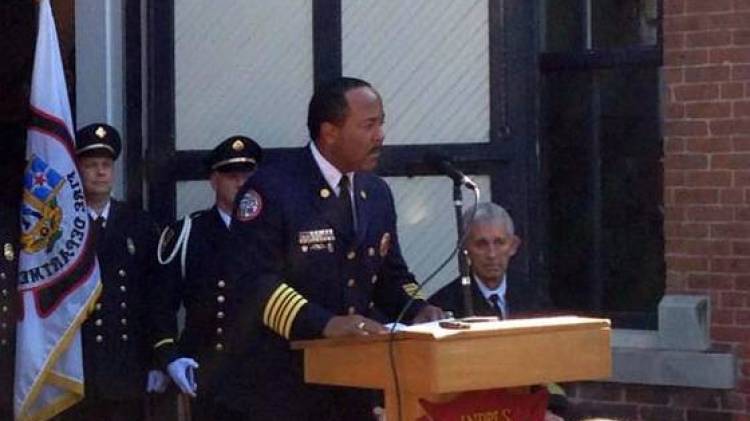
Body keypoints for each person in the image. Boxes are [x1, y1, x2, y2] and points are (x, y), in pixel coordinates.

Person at [215, 77, 444, 420]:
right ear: (329, 132)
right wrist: (325, 323)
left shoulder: (376, 192)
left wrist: (418, 310)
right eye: (368, 125)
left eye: (381, 123)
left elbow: (389, 274)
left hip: (355, 382)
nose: (380, 135)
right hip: (283, 382)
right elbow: (254, 282)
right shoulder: (273, 189)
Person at [56, 123, 167, 421]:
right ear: (77, 170)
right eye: (91, 165)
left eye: (106, 165)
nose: (100, 172)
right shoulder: (60, 226)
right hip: (76, 367)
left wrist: (158, 359)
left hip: (125, 366)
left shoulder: (139, 225)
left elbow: (154, 298)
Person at [151, 135, 262, 420]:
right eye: (231, 176)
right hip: (210, 373)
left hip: (265, 374)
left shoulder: (271, 231)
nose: (240, 183)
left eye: (247, 176)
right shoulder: (188, 233)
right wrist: (170, 358)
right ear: (214, 181)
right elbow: (160, 305)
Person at [430, 202, 567, 421]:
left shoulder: (533, 299)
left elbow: (554, 363)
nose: (492, 254)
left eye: (499, 242)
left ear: (513, 246)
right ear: (465, 248)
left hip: (529, 409)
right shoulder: (445, 304)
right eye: (481, 244)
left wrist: (547, 409)